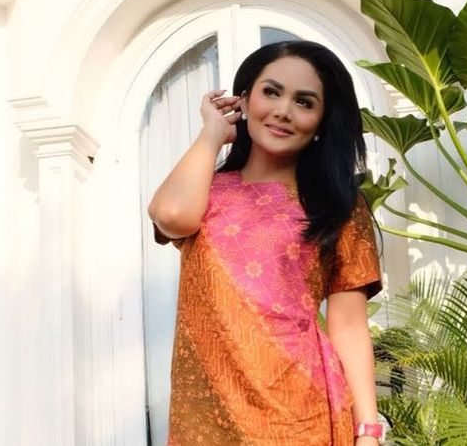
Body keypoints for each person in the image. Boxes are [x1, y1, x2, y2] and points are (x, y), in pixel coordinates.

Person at [148, 40, 385, 446]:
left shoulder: (336, 205)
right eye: (271, 92)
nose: (283, 110)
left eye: (304, 102)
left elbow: (348, 325)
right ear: (244, 99)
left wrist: (368, 432)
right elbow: (170, 215)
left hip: (298, 412)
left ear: (321, 121)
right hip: (207, 416)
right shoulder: (206, 191)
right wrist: (211, 134)